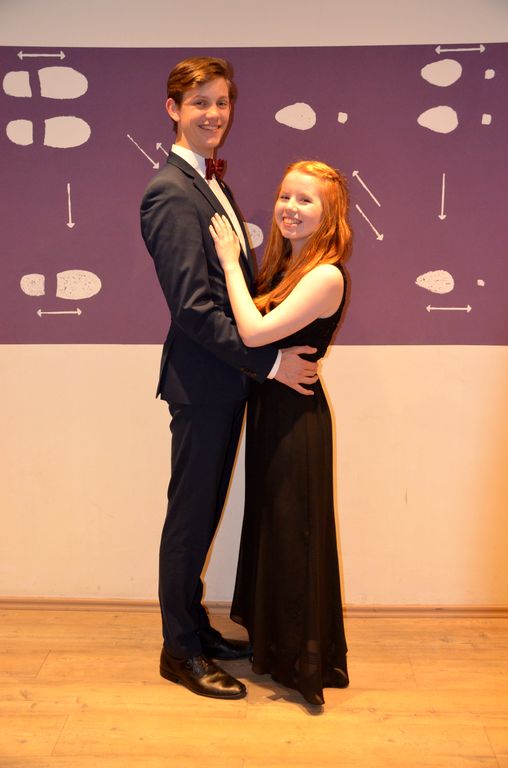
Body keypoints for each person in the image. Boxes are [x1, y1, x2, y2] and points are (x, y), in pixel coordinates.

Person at [140, 57, 319, 701]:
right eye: (200, 102)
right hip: (202, 384)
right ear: (173, 109)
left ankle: (194, 628)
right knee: (190, 517)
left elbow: (230, 285)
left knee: (204, 510)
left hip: (223, 382)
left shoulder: (208, 180)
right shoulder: (169, 191)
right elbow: (193, 310)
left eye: (222, 101)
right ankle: (179, 651)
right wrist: (269, 364)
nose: (214, 113)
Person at [209, 159, 352, 705]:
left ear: (329, 213)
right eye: (285, 196)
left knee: (296, 535)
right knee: (274, 528)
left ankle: (301, 661)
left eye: (305, 200)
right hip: (274, 413)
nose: (290, 208)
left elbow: (253, 332)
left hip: (298, 421)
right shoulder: (289, 265)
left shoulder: (325, 274)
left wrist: (229, 262)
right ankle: (274, 648)